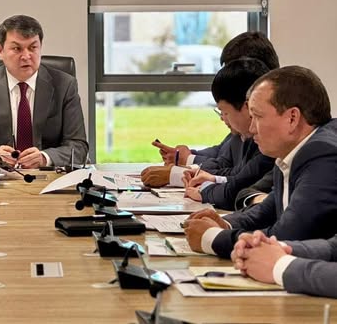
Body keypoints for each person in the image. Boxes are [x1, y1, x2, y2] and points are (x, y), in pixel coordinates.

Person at [183, 66, 337, 258]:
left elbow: (287, 236)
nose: (251, 128)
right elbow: (267, 211)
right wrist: (226, 223)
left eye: (258, 116)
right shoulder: (295, 150)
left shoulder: (323, 154)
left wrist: (212, 238)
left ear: (292, 118)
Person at [143, 31, 278, 187]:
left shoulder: (268, 133)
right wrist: (186, 159)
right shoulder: (245, 129)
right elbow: (223, 158)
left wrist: (180, 172)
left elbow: (238, 180)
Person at [0, 14, 88, 168]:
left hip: (49, 176)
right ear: (0, 51)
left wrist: (45, 158)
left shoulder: (64, 85)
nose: (26, 56)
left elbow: (79, 147)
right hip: (0, 177)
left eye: (33, 48)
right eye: (17, 48)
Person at [181, 58, 274, 209]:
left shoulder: (269, 142)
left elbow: (236, 190)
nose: (253, 127)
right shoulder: (246, 137)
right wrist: (213, 179)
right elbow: (237, 175)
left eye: (224, 112)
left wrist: (205, 191)